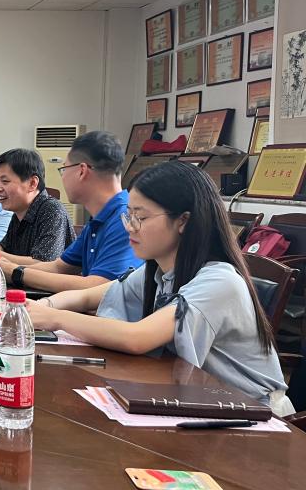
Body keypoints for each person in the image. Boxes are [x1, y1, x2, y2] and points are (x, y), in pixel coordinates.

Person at [26, 162, 292, 413]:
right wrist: (43, 306)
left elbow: (137, 337)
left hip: (253, 413)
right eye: (128, 215)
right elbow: (86, 297)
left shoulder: (220, 281)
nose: (130, 227)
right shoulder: (157, 270)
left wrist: (54, 318)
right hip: (197, 397)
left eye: (140, 217)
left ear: (183, 221)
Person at [0, 131, 142, 293]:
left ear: (82, 171)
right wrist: (10, 268)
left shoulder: (125, 218)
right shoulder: (99, 218)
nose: (63, 177)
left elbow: (100, 286)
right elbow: (59, 267)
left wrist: (17, 273)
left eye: (64, 169)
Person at [0, 148, 74, 264]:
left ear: (32, 183)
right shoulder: (18, 213)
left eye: (5, 181)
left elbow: (45, 264)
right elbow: (3, 248)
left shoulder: (52, 210)